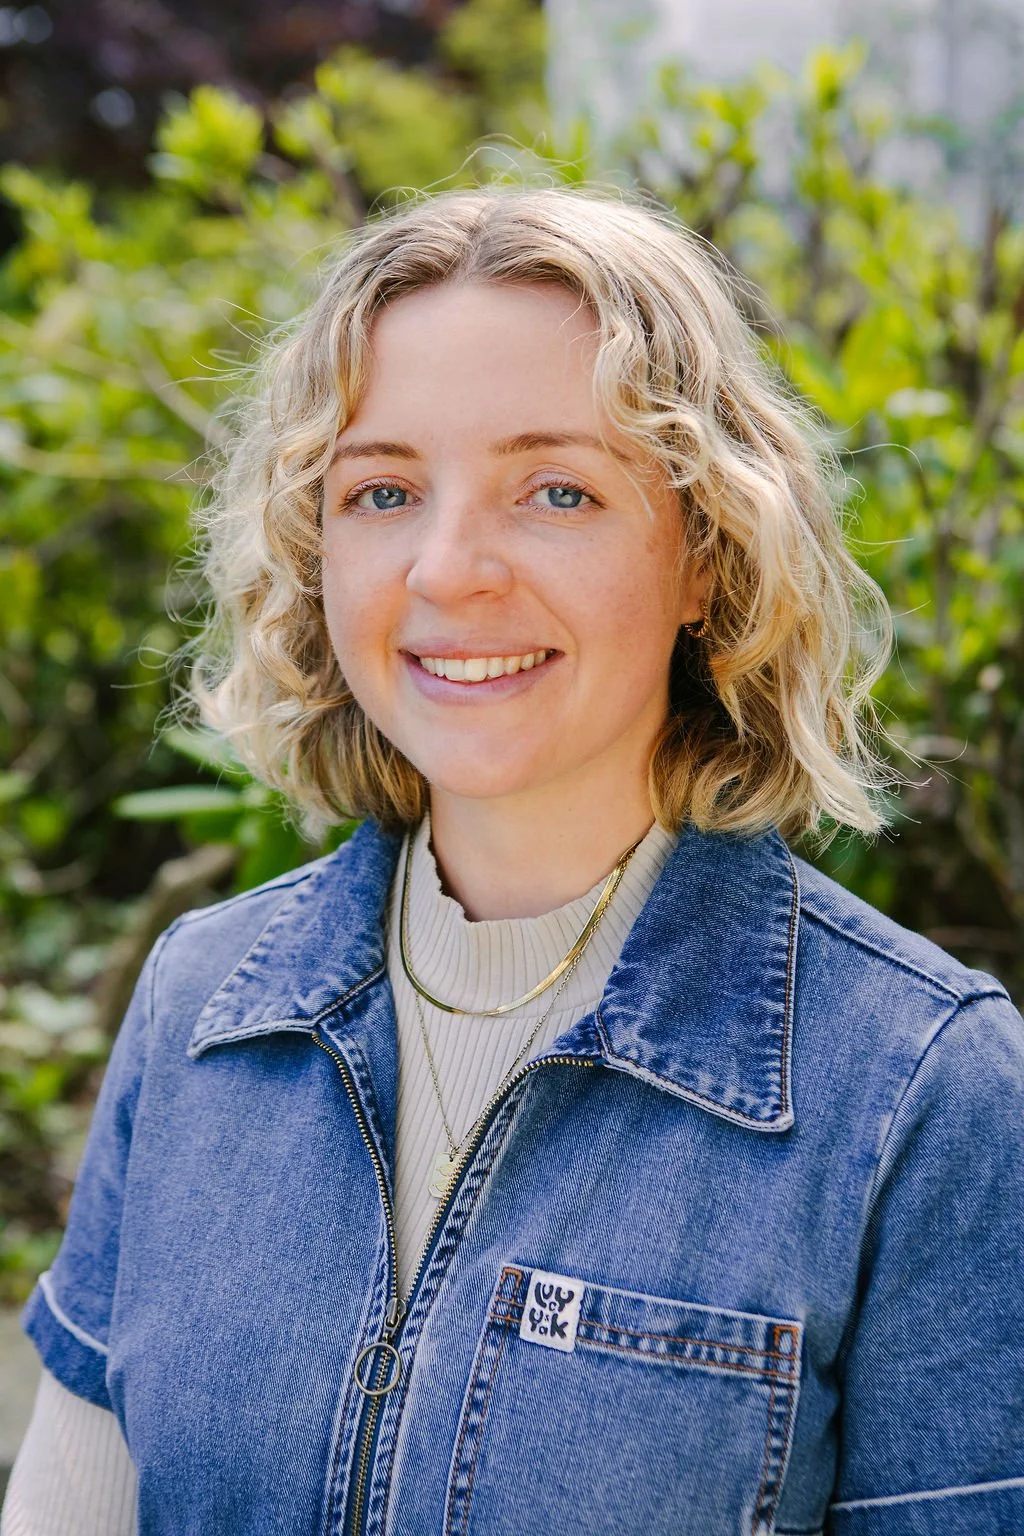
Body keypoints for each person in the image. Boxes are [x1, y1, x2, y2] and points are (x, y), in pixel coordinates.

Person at [3, 185, 1023, 1536]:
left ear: (709, 554)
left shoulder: (919, 1093)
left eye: (557, 491)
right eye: (383, 491)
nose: (448, 571)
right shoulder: (200, 1005)